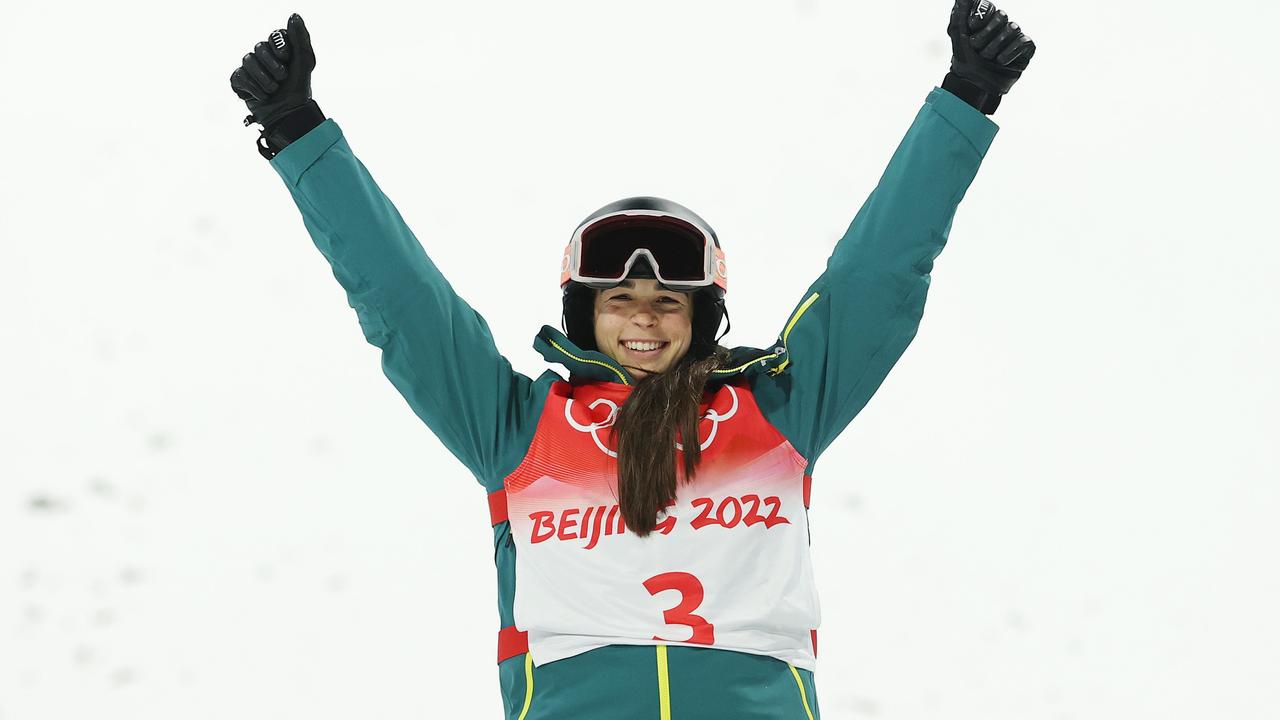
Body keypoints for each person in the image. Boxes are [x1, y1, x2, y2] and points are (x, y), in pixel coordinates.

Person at [230, 3, 1035, 718]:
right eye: (619, 302)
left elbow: (877, 276)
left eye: (666, 303)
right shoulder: (516, 427)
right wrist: (299, 129)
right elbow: (403, 301)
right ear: (586, 315)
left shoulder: (778, 412)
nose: (642, 320)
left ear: (701, 317)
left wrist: (963, 100)